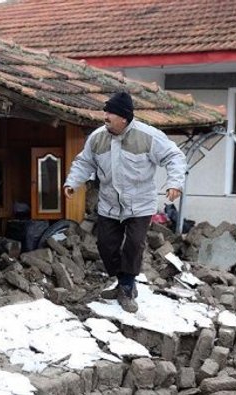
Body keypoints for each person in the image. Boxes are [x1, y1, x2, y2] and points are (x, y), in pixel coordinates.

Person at [63, 91, 186, 313]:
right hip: (109, 203)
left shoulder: (148, 136)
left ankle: (127, 288)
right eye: (105, 112)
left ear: (124, 118)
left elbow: (174, 156)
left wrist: (174, 183)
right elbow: (84, 162)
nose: (106, 117)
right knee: (105, 245)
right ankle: (123, 282)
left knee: (134, 244)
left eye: (110, 113)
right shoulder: (98, 137)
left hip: (140, 204)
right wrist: (72, 183)